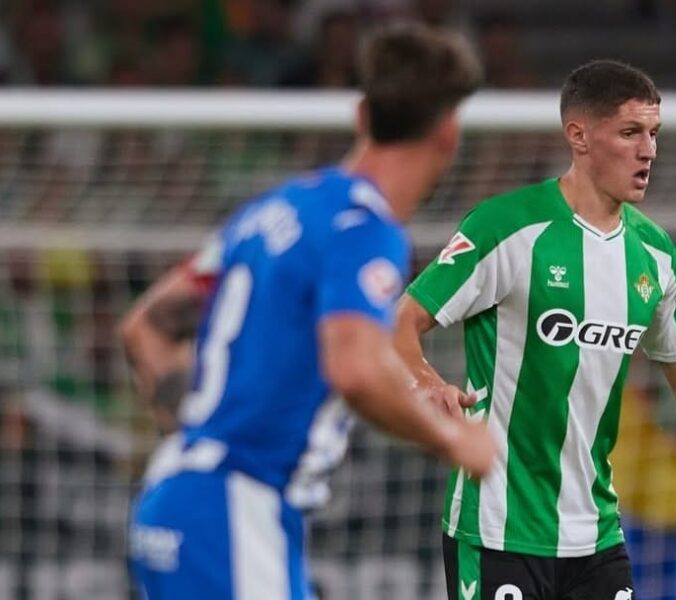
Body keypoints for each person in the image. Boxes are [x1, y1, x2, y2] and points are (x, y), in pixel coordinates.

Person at [393, 59, 676, 600]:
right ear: (578, 136)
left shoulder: (654, 254)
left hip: (596, 535)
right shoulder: (509, 227)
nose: (649, 150)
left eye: (653, 134)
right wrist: (424, 378)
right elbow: (401, 322)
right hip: (498, 529)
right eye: (630, 132)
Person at [118, 23, 496, 599]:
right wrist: (451, 440)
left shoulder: (274, 209)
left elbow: (145, 326)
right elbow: (355, 369)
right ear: (448, 133)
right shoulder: (366, 230)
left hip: (181, 496)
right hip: (235, 508)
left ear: (362, 115)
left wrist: (198, 430)